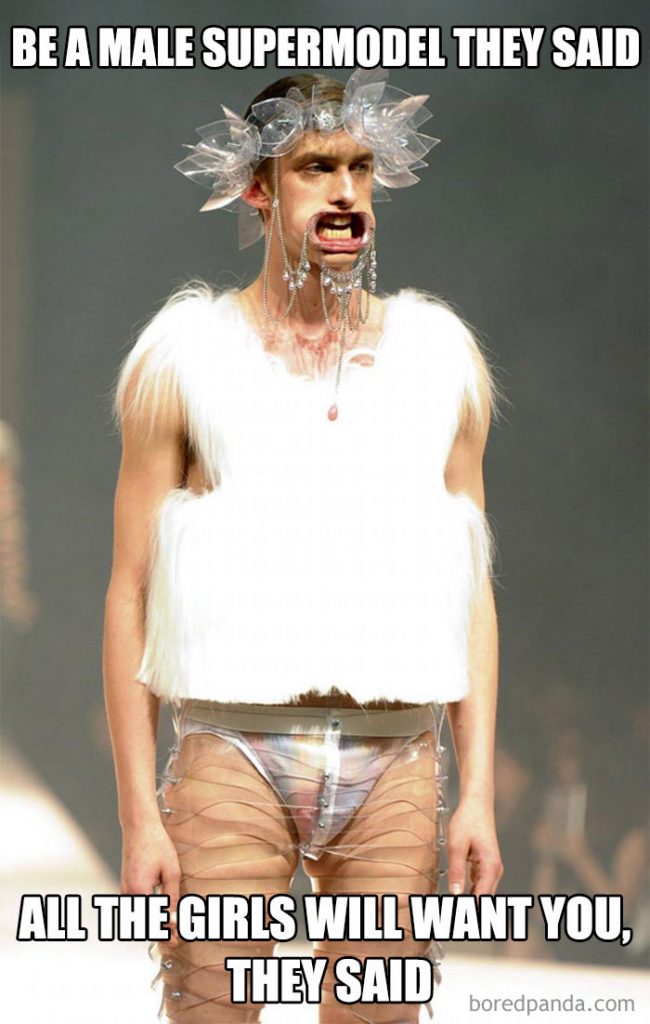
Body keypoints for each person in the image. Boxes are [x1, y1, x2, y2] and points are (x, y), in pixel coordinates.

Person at [104, 68, 503, 1023]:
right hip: (231, 748)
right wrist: (137, 814)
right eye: (317, 167)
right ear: (258, 187)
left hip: (395, 756)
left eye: (361, 167)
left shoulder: (437, 359)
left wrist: (479, 792)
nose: (346, 191)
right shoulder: (185, 358)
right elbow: (130, 591)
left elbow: (471, 589)